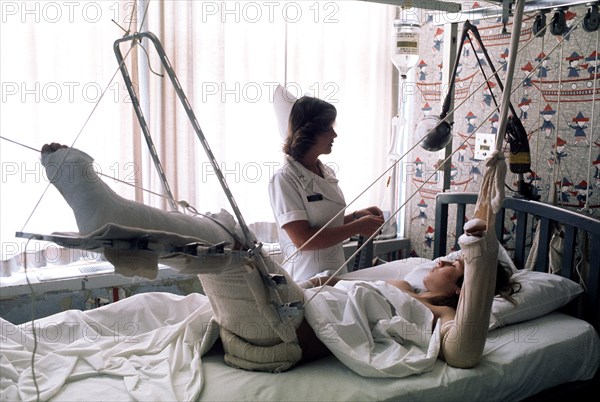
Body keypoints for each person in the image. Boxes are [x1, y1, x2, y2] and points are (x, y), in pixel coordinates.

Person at [39, 142, 519, 372]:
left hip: (283, 329)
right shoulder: (410, 288)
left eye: (447, 266)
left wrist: (477, 256)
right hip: (285, 310)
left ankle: (109, 216)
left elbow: (465, 348)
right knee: (221, 241)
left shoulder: (440, 313)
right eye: (444, 260)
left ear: (461, 289)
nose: (435, 263)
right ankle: (113, 223)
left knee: (228, 243)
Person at [269, 96, 385, 282]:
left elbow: (326, 224)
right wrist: (357, 227)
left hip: (335, 274)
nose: (334, 135)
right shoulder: (284, 179)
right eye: (328, 129)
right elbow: (303, 240)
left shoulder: (325, 172)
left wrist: (356, 217)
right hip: (306, 279)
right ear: (310, 132)